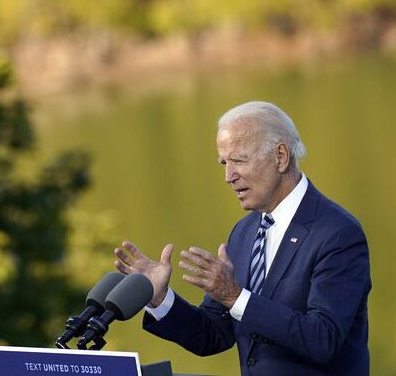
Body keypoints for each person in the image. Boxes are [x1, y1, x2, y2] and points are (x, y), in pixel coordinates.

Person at [114, 101, 370, 375]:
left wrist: (236, 297)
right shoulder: (244, 232)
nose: (228, 176)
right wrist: (160, 299)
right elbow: (213, 334)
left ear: (280, 157)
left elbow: (322, 339)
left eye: (238, 160)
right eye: (224, 163)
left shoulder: (337, 233)